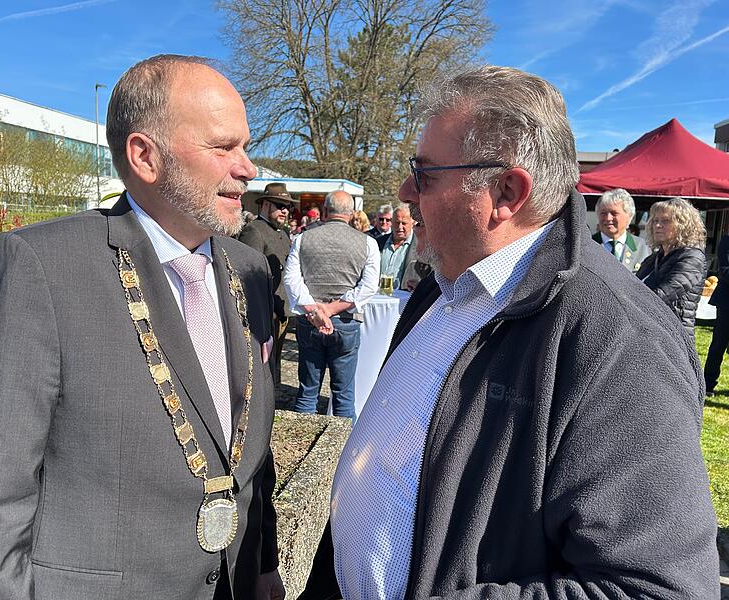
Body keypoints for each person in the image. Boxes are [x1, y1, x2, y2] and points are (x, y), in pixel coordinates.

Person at [300, 65, 718, 599]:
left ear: (506, 191)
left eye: (423, 173)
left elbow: (657, 589)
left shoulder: (620, 339)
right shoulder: (445, 284)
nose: (405, 190)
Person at [0, 55, 284, 600]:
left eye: (244, 147)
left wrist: (263, 563)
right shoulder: (37, 267)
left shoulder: (252, 272)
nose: (248, 168)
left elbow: (246, 450)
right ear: (145, 156)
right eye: (223, 148)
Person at [283, 191, 379, 421]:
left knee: (307, 392)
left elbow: (291, 280)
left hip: (310, 322)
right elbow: (369, 286)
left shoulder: (303, 238)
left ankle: (303, 448)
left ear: (325, 211)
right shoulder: (368, 243)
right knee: (344, 396)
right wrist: (332, 309)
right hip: (345, 322)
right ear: (352, 214)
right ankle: (346, 452)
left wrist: (316, 311)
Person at [239, 182, 297, 385]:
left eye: (288, 207)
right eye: (279, 205)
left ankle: (272, 400)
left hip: (280, 308)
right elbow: (248, 275)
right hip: (264, 310)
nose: (285, 211)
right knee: (261, 365)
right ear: (264, 205)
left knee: (274, 363)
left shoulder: (282, 232)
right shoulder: (254, 230)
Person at [636, 197, 707, 339]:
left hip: (674, 337)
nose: (657, 225)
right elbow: (634, 285)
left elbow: (663, 295)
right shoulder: (654, 258)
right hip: (650, 332)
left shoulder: (693, 258)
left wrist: (628, 303)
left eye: (665, 221)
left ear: (683, 225)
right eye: (655, 220)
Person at [592, 188, 650, 272]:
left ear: (629, 216)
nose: (608, 218)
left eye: (614, 213)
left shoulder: (643, 247)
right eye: (603, 213)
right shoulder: (587, 245)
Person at [377, 204, 430, 291]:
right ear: (392, 222)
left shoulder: (422, 246)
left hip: (404, 299)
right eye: (397, 222)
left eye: (404, 223)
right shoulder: (379, 243)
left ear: (412, 223)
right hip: (378, 298)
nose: (400, 227)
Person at [705, 233, 729, 396]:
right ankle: (708, 383)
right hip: (726, 301)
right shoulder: (726, 241)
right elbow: (725, 270)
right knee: (718, 344)